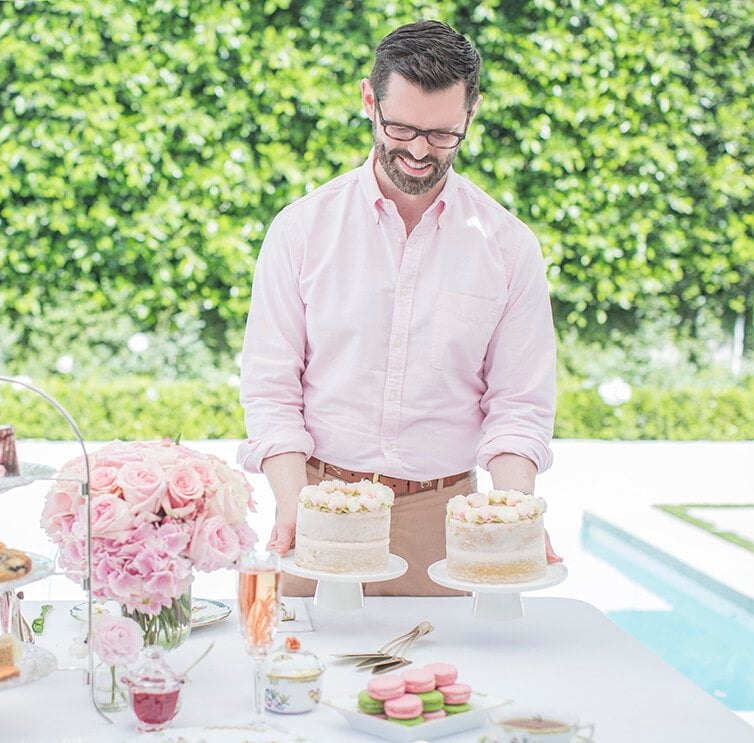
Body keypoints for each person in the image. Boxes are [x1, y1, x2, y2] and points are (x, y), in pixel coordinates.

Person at [237, 19, 561, 596]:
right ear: (369, 99)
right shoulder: (301, 230)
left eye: (442, 135)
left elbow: (519, 406)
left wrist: (514, 514)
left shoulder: (509, 247)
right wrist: (291, 506)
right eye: (401, 128)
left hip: (444, 526)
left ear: (471, 113)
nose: (417, 152)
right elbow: (271, 390)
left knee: (447, 686)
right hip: (316, 512)